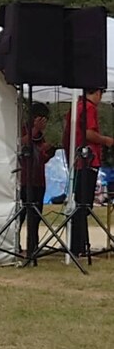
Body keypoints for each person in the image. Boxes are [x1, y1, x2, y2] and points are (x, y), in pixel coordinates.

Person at [63, 88, 114, 256]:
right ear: (97, 92)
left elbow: (67, 136)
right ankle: (79, 246)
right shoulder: (89, 107)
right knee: (83, 205)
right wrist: (106, 140)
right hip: (88, 161)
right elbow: (89, 133)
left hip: (77, 162)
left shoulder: (75, 107)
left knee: (79, 203)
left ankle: (79, 244)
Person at [18, 103, 55, 257]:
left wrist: (48, 153)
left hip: (39, 179)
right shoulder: (24, 129)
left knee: (36, 216)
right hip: (25, 179)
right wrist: (35, 129)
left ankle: (33, 246)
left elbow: (39, 156)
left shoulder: (41, 135)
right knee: (21, 215)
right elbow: (22, 143)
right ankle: (16, 243)